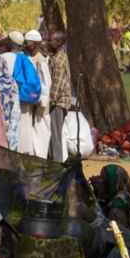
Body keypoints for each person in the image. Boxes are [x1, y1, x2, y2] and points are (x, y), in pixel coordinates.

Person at [24, 31, 52, 158]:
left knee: (41, 139)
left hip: (39, 108)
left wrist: (39, 103)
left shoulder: (41, 61)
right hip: (31, 104)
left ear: (35, 44)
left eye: (27, 42)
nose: (25, 45)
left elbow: (46, 85)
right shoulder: (29, 59)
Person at [46, 31, 71, 162]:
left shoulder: (59, 61)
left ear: (59, 43)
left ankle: (56, 167)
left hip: (56, 104)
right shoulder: (55, 58)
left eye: (51, 41)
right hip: (54, 103)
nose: (49, 43)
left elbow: (56, 87)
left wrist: (46, 103)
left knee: (55, 137)